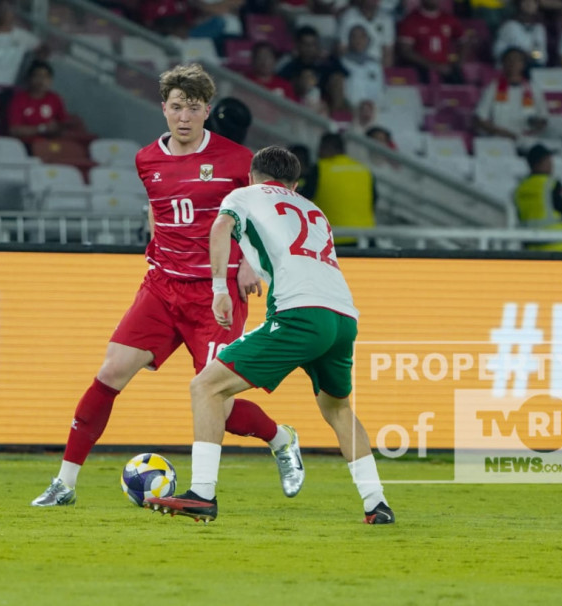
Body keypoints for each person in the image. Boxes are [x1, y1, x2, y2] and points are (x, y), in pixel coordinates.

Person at [31, 64, 304, 508]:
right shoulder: (146, 160)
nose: (183, 116)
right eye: (176, 107)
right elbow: (159, 212)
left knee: (220, 402)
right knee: (109, 372)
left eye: (192, 108)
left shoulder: (238, 160)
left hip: (213, 296)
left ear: (206, 111)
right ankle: (65, 483)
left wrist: (249, 263)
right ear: (163, 108)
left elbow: (263, 215)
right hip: (161, 287)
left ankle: (280, 439)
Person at [142, 146, 394, 525]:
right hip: (343, 316)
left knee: (206, 387)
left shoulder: (243, 195)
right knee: (338, 408)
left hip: (299, 314)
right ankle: (377, 503)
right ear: (294, 183)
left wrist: (220, 290)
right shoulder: (314, 209)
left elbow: (221, 227)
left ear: (253, 174)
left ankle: (202, 494)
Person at [309, 133, 375, 245]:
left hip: (334, 239)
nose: (318, 153)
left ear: (327, 148)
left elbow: (303, 197)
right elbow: (373, 200)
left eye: (320, 148)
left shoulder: (320, 168)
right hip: (365, 238)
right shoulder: (363, 169)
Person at [475, 47, 549, 143]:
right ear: (503, 64)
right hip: (499, 139)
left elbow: (543, 118)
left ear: (523, 64)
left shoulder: (533, 89)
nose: (513, 64)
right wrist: (502, 133)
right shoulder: (492, 88)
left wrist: (537, 125)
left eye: (517, 60)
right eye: (509, 60)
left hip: (527, 140)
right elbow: (480, 118)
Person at [514, 143, 562, 251]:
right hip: (558, 247)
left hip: (532, 250)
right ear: (538, 163)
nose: (552, 164)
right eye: (548, 160)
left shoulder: (520, 188)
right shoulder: (552, 184)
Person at [0, 0, 42, 87]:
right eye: (1, 9)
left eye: (9, 9)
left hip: (7, 89)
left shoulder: (22, 36)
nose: (5, 12)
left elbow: (42, 48)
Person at [396, 0, 464, 83]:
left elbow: (463, 41)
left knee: (458, 78)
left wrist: (459, 62)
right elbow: (405, 51)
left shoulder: (449, 19)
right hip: (421, 68)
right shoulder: (411, 20)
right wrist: (433, 66)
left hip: (445, 68)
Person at [6, 61, 69, 144]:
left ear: (50, 80)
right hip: (24, 145)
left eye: (46, 77)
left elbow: (64, 123)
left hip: (49, 144)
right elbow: (14, 130)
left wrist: (57, 128)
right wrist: (42, 128)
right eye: (38, 76)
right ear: (29, 79)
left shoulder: (55, 99)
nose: (41, 80)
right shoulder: (19, 99)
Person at [277, 26, 346, 87]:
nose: (309, 48)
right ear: (298, 45)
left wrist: (330, 57)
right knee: (306, 75)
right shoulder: (291, 66)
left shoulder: (325, 63)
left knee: (337, 78)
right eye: (306, 44)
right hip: (299, 100)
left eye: (313, 44)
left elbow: (343, 73)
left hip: (324, 99)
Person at [337, 0, 395, 68]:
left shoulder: (386, 19)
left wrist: (383, 73)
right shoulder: (348, 16)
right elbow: (342, 48)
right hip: (352, 64)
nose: (373, 2)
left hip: (376, 66)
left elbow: (388, 52)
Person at [493, 0, 549, 67]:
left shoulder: (539, 28)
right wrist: (516, 55)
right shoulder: (509, 26)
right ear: (519, 5)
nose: (529, 4)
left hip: (532, 68)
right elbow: (497, 51)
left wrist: (531, 54)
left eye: (533, 2)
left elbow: (542, 56)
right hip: (510, 69)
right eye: (525, 2)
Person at [340, 26, 386, 107]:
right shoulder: (341, 63)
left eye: (362, 36)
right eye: (354, 37)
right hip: (351, 110)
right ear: (349, 40)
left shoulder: (376, 64)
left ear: (368, 40)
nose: (358, 40)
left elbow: (382, 89)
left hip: (375, 111)